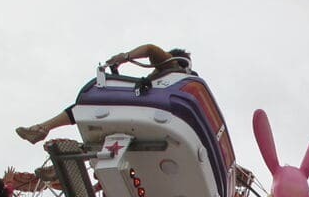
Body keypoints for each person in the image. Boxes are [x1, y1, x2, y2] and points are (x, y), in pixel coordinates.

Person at [15, 44, 192, 144]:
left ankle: (43, 128)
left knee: (87, 106)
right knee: (101, 133)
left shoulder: (171, 66)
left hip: (144, 112)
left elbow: (150, 49)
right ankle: (48, 135)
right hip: (147, 117)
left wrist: (124, 56)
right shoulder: (170, 84)